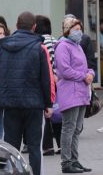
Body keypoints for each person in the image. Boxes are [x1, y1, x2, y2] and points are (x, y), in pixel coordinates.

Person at [0, 11, 53, 175]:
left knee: (11, 146)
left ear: (17, 26)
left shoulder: (3, 47)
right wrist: (48, 104)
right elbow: (45, 79)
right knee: (34, 147)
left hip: (10, 103)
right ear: (34, 27)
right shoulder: (39, 48)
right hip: (34, 104)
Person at [55, 17, 94, 173]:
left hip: (81, 92)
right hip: (70, 92)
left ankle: (74, 160)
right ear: (67, 30)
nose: (79, 32)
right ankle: (66, 162)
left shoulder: (77, 46)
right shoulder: (63, 46)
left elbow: (86, 67)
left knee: (77, 129)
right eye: (75, 29)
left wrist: (90, 73)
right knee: (68, 128)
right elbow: (64, 70)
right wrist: (83, 76)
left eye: (80, 29)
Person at [35, 15, 61, 156]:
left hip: (46, 81)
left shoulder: (39, 42)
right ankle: (61, 143)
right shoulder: (55, 40)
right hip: (58, 81)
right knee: (57, 113)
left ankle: (47, 146)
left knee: (46, 113)